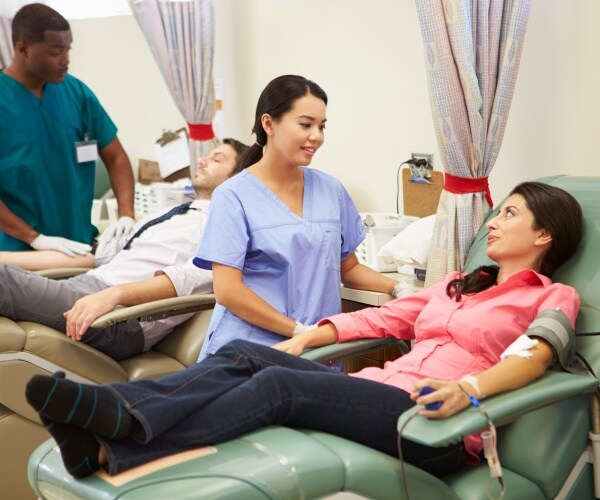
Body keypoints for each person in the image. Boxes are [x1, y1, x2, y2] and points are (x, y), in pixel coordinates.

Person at [26, 180, 583, 479]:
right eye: (497, 212)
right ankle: (108, 427)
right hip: (379, 397)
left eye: (510, 214)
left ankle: (115, 432)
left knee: (278, 388)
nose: (494, 221)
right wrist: (308, 336)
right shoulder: (458, 284)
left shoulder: (553, 297)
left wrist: (469, 389)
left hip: (434, 427)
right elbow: (383, 318)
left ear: (545, 236)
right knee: (251, 352)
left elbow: (533, 359)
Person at [194, 75, 399, 360]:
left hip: (314, 350)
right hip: (249, 348)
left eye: (321, 126)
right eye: (305, 124)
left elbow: (348, 268)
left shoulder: (331, 190)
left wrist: (398, 288)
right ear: (269, 124)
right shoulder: (233, 196)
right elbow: (228, 291)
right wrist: (298, 332)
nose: (316, 135)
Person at [0, 139, 248, 360]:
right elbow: (90, 257)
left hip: (122, 317)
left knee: (4, 280)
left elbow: (190, 279)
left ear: (238, 179)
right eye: (208, 155)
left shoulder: (222, 226)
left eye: (217, 159)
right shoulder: (169, 213)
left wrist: (115, 295)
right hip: (89, 286)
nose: (203, 160)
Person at [0, 3, 135, 254]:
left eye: (68, 49)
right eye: (55, 52)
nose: (66, 60)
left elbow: (116, 158)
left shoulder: (77, 93)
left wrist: (127, 215)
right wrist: (36, 238)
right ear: (23, 49)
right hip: (16, 253)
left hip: (79, 245)